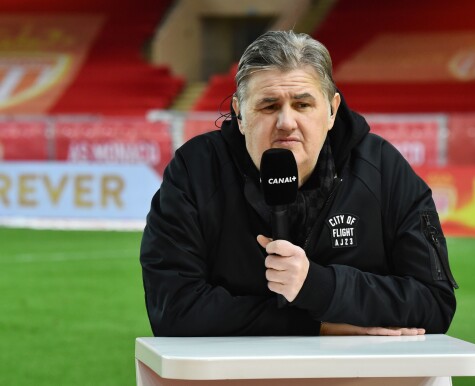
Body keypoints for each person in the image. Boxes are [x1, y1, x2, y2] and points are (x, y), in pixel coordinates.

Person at [140, 30, 457, 337]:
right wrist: (318, 327)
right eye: (269, 106)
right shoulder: (195, 171)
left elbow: (434, 302)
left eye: (303, 105)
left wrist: (321, 286)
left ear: (332, 111)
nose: (286, 122)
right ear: (238, 113)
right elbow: (172, 309)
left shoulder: (383, 170)